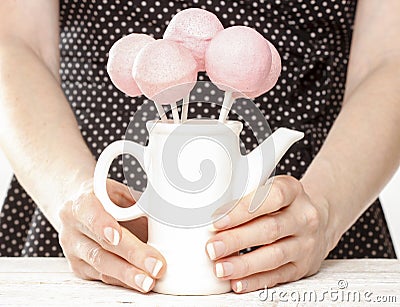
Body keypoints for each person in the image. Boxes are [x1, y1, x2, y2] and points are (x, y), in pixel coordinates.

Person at [0, 0, 399, 294]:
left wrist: (325, 210)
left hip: (324, 215)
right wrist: (72, 191)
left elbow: (389, 59)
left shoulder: (319, 215)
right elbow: (17, 41)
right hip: (76, 214)